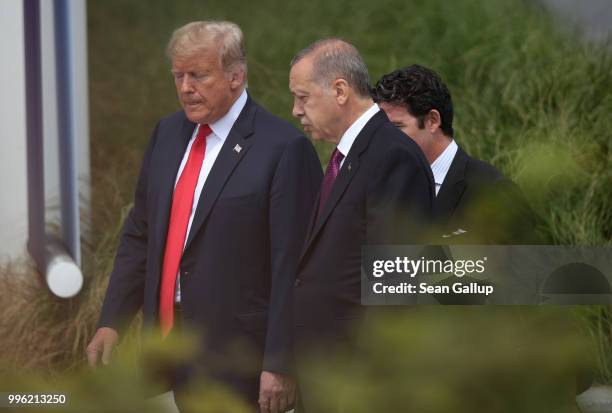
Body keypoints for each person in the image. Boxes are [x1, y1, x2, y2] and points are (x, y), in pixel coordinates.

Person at [86, 21, 322, 413]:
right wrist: (113, 320)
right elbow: (141, 234)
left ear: (236, 76)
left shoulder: (283, 148)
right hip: (168, 348)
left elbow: (294, 267)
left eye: (198, 75)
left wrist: (281, 361)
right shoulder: (166, 134)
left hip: (240, 360)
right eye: (178, 75)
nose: (184, 87)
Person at [288, 39, 434, 412]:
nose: (295, 110)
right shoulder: (348, 156)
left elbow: (396, 286)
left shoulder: (392, 156)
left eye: (303, 97)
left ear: (339, 91)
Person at [372, 64, 535, 243]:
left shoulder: (493, 192)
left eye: (396, 127)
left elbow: (530, 267)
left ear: (432, 121)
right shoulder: (381, 189)